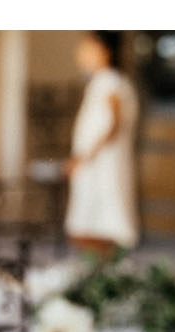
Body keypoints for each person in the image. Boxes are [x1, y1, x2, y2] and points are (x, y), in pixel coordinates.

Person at [64, 32, 139, 255]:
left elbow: (112, 124)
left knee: (95, 224)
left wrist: (85, 157)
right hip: (97, 161)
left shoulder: (109, 81)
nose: (81, 54)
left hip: (100, 164)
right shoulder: (103, 82)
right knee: (89, 223)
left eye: (88, 48)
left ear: (105, 51)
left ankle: (104, 266)